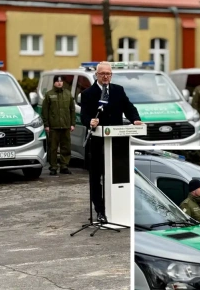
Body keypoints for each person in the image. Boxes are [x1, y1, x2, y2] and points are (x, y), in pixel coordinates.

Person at [81, 61, 142, 223]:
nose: (106, 76)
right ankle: (100, 210)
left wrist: (135, 119)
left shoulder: (118, 90)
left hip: (117, 142)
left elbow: (128, 107)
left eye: (108, 74)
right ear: (96, 75)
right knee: (96, 178)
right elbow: (84, 116)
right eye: (102, 74)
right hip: (97, 142)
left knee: (115, 176)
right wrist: (90, 122)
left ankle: (116, 208)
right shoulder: (88, 93)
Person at [42, 75, 76, 176]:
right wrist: (46, 124)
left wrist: (72, 124)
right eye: (57, 81)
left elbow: (72, 110)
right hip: (53, 126)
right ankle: (53, 167)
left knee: (66, 147)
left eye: (61, 81)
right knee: (53, 148)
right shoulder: (49, 95)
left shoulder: (68, 94)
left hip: (65, 125)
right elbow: (45, 111)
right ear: (54, 83)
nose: (59, 83)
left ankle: (64, 166)